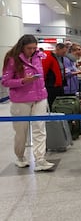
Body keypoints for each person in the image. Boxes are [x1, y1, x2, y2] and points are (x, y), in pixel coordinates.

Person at [1, 35, 55, 171]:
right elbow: (5, 81)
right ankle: (20, 157)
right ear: (22, 47)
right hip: (21, 100)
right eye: (29, 48)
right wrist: (23, 81)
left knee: (40, 129)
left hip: (40, 97)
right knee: (21, 132)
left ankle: (40, 160)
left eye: (34, 48)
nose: (32, 50)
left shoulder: (39, 56)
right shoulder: (12, 59)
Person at [42, 43, 68, 109]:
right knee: (51, 104)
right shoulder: (48, 57)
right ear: (58, 49)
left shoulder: (61, 58)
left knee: (60, 104)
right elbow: (44, 71)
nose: (64, 54)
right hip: (51, 86)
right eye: (63, 52)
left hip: (60, 85)